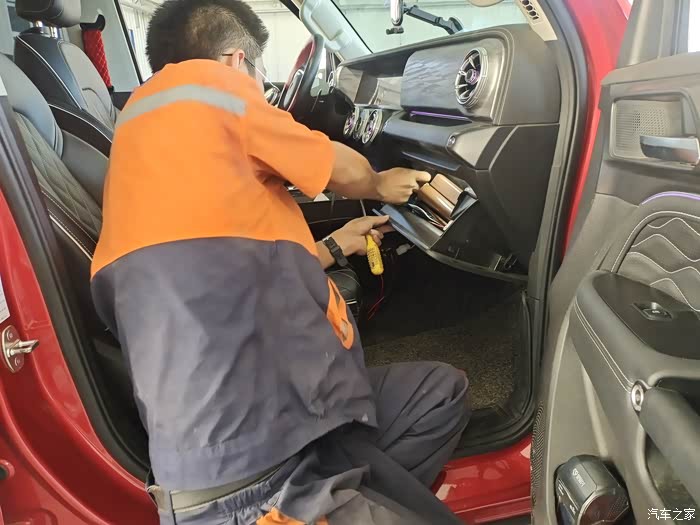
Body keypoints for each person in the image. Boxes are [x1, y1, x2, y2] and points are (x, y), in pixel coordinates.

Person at [90, 0, 471, 523]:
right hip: (247, 477)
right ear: (236, 61)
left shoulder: (146, 123)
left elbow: (223, 263)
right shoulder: (211, 90)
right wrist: (382, 183)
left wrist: (334, 246)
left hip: (282, 420)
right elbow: (339, 168)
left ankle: (357, 493)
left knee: (439, 393)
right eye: (260, 73)